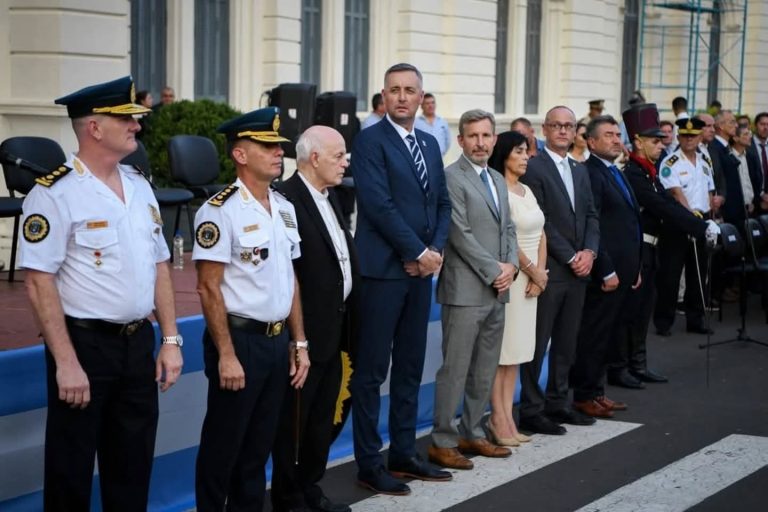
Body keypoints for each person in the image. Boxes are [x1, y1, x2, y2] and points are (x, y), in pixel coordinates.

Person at [20, 75, 183, 511]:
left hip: (137, 344)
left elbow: (159, 264)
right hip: (84, 346)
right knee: (70, 470)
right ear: (94, 128)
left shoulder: (140, 185)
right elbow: (38, 281)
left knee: (132, 467)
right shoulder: (55, 193)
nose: (137, 126)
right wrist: (67, 362)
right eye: (126, 119)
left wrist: (169, 339)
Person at [193, 107, 310, 511]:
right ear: (240, 155)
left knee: (258, 449)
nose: (279, 152)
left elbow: (289, 279)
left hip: (277, 343)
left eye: (279, 145)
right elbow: (208, 288)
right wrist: (226, 354)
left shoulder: (283, 207)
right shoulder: (219, 210)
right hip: (239, 340)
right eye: (267, 146)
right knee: (223, 448)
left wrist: (300, 341)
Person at [349, 62, 452, 496]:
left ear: (422, 96)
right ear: (384, 96)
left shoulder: (429, 143)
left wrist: (434, 255)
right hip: (381, 274)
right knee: (372, 372)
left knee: (410, 366)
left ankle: (404, 453)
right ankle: (369, 463)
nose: (403, 97)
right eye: (395, 90)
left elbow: (443, 204)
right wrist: (419, 252)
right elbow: (378, 205)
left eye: (411, 90)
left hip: (418, 275)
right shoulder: (370, 140)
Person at [270, 126, 359, 512]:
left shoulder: (330, 195)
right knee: (296, 421)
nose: (346, 161)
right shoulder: (286, 199)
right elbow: (288, 273)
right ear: (315, 158)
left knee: (322, 417)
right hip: (305, 333)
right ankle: (288, 496)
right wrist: (297, 337)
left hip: (336, 327)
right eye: (339, 155)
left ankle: (309, 486)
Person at [429, 110, 518, 471]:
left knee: (484, 368)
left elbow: (507, 229)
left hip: (498, 289)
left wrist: (510, 266)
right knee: (455, 369)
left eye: (486, 135)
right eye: (473, 136)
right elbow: (458, 234)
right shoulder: (452, 178)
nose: (480, 142)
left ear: (494, 139)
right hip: (466, 290)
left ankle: (472, 432)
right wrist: (494, 270)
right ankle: (443, 441)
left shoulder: (497, 178)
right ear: (461, 140)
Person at [609, 104, 717, 388]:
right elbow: (661, 206)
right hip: (637, 249)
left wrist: (701, 222)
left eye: (661, 140)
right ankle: (620, 367)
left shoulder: (650, 172)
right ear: (638, 142)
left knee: (643, 310)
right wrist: (700, 226)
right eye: (655, 141)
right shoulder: (634, 174)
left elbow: (668, 203)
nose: (661, 145)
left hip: (652, 247)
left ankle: (638, 363)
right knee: (630, 311)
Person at [517, 105, 600, 436]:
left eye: (569, 126)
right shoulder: (534, 168)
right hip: (550, 268)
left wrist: (590, 253)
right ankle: (532, 408)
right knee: (538, 343)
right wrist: (571, 257)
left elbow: (592, 214)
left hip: (580, 269)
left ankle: (558, 403)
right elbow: (542, 220)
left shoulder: (580, 169)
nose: (563, 131)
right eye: (556, 126)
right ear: (545, 129)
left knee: (567, 340)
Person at [570, 115, 642, 418]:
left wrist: (634, 266)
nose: (616, 139)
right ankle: (584, 394)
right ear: (592, 141)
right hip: (605, 272)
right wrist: (607, 270)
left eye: (617, 134)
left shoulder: (614, 170)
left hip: (624, 269)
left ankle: (597, 392)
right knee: (594, 334)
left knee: (609, 335)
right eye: (609, 135)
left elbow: (629, 221)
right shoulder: (591, 173)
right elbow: (593, 226)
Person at [487, 130, 545, 444]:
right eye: (520, 151)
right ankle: (497, 419)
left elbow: (542, 232)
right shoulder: (499, 190)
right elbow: (508, 238)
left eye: (527, 151)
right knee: (503, 354)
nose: (526, 157)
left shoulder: (525, 189)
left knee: (517, 354)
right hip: (514, 278)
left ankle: (509, 417)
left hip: (532, 281)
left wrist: (541, 274)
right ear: (506, 153)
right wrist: (533, 271)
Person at [655, 117, 715, 336]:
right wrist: (693, 220)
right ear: (679, 137)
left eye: (693, 136)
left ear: (700, 137)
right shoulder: (670, 163)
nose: (689, 140)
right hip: (679, 224)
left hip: (701, 222)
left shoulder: (705, 161)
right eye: (685, 136)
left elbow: (710, 191)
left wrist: (710, 220)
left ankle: (695, 320)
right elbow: (676, 195)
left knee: (698, 274)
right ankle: (664, 322)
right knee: (670, 274)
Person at [730, 124, 762, 217]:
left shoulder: (751, 157)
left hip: (751, 208)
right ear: (735, 138)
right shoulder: (728, 157)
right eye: (746, 134)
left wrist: (754, 201)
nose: (750, 137)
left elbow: (757, 180)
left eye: (750, 134)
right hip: (734, 209)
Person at [415, 93, 451, 157]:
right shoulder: (415, 122)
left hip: (439, 158)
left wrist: (442, 152)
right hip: (422, 159)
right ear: (421, 106)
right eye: (427, 103)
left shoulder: (442, 122)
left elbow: (447, 141)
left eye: (432, 103)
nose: (430, 105)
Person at [749, 112, 768, 213]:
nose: (766, 128)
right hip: (754, 203)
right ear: (755, 126)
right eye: (762, 124)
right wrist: (761, 196)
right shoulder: (747, 146)